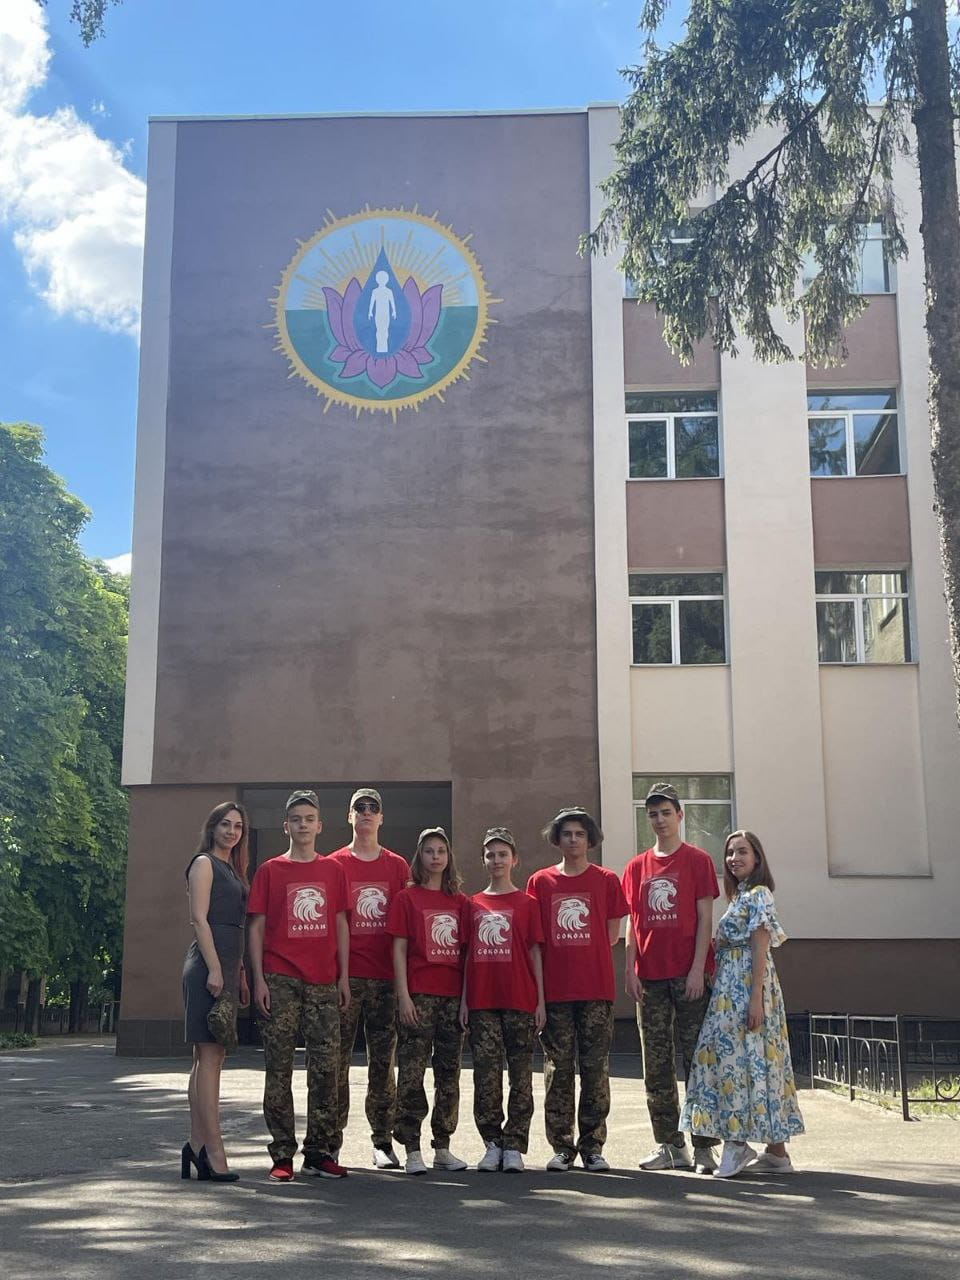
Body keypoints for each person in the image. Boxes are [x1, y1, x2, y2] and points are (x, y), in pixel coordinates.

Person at [680, 830, 805, 1178]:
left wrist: (755, 1000)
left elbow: (760, 946)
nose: (734, 858)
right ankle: (777, 1152)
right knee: (755, 1060)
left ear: (757, 858)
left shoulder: (759, 894)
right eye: (730, 853)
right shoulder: (740, 896)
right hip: (729, 987)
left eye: (742, 852)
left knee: (737, 1061)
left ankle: (736, 1144)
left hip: (745, 988)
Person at [247, 790, 351, 1181]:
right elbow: (256, 927)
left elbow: (341, 924)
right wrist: (258, 978)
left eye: (309, 819)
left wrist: (343, 975)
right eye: (296, 819)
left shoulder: (333, 870)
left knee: (326, 1070)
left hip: (324, 981)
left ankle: (319, 1153)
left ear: (319, 826)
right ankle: (282, 1155)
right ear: (286, 826)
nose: (303, 825)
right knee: (279, 1069)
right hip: (281, 978)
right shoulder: (270, 871)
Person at [622, 782, 720, 1173]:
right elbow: (633, 922)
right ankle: (670, 1145)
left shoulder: (697, 860)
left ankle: (704, 1147)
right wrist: (629, 968)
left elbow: (705, 918)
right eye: (653, 814)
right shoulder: (636, 867)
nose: (660, 820)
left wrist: (698, 969)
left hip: (688, 975)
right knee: (656, 1064)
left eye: (666, 812)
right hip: (650, 979)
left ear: (680, 815)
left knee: (698, 1060)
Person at [527, 807, 628, 1172]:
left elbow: (613, 934)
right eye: (567, 834)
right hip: (556, 992)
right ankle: (562, 1147)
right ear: (557, 839)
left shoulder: (607, 880)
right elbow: (535, 942)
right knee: (558, 1070)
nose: (573, 840)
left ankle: (593, 1146)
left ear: (590, 840)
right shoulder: (540, 882)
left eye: (580, 834)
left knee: (595, 1069)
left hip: (595, 990)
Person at [329, 787, 409, 1170]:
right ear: (349, 817)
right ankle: (331, 1142)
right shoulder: (333, 865)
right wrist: (339, 976)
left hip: (385, 979)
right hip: (345, 979)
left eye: (372, 807)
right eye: (358, 807)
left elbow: (408, 925)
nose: (365, 812)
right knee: (337, 1063)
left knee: (383, 1063)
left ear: (381, 818)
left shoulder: (398, 867)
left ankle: (382, 1142)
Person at [462, 827, 546, 1173]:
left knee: (521, 1077)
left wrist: (540, 1001)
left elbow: (536, 953)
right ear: (484, 860)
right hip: (482, 1001)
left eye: (502, 854)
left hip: (520, 1000)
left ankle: (514, 1145)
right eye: (490, 855)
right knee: (486, 1076)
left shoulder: (528, 904)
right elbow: (467, 955)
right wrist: (464, 1000)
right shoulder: (472, 904)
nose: (496, 860)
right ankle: (492, 1143)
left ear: (514, 860)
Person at [386, 827, 470, 1175]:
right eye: (429, 851)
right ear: (419, 857)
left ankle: (443, 1146)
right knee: (412, 1072)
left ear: (449, 858)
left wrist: (465, 1001)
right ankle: (411, 1147)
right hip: (418, 996)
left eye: (441, 851)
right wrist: (403, 996)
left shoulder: (461, 902)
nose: (436, 857)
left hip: (452, 998)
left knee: (449, 1074)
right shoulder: (407, 899)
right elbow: (399, 950)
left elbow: (467, 956)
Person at [181, 801, 249, 1182]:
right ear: (212, 827)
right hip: (207, 969)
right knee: (209, 1057)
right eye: (225, 824)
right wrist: (216, 968)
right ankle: (213, 1149)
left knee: (208, 1058)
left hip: (225, 968)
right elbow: (199, 919)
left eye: (238, 826)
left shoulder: (233, 869)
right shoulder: (204, 863)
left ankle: (195, 1145)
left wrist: (238, 972)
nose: (231, 831)